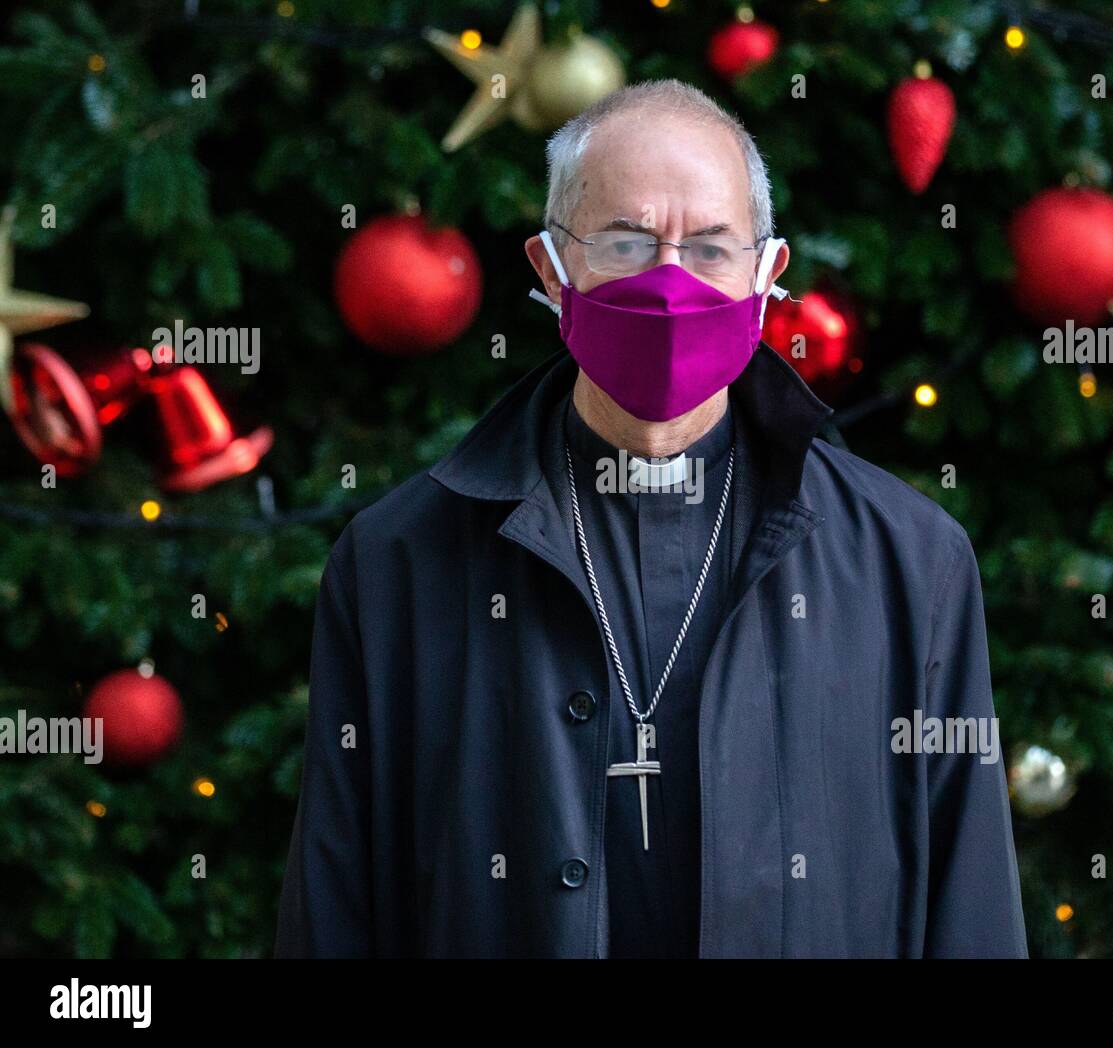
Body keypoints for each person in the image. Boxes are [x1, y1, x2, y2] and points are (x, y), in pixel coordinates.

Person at [275, 78, 1028, 959]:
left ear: (766, 274)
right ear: (550, 273)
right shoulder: (396, 563)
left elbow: (970, 904)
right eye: (627, 244)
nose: (670, 284)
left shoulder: (912, 562)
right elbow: (334, 911)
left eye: (710, 249)